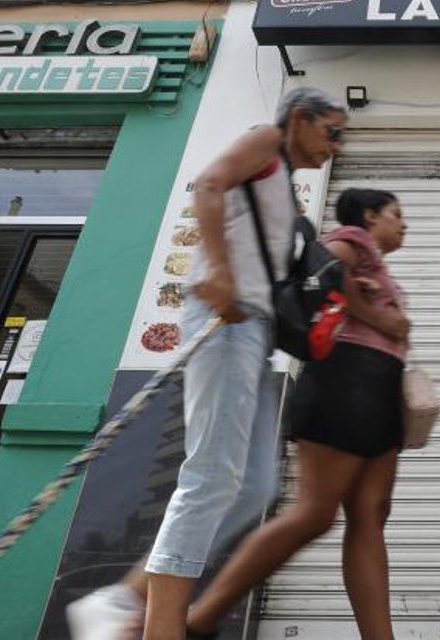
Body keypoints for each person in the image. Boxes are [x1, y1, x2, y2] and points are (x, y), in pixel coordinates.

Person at [66, 87, 348, 640]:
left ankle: (121, 600)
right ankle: (159, 629)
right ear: (299, 119)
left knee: (253, 486)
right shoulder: (265, 141)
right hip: (222, 322)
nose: (335, 145)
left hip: (252, 329)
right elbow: (211, 183)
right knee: (213, 475)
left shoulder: (281, 184)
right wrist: (216, 270)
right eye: (331, 131)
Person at [176, 187, 411, 640]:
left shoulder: (375, 265)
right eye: (396, 215)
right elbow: (326, 265)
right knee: (314, 514)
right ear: (369, 216)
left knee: (371, 513)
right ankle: (199, 619)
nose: (404, 224)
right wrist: (377, 317)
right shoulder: (353, 240)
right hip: (348, 380)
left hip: (378, 387)